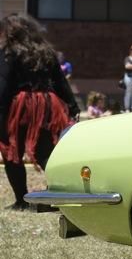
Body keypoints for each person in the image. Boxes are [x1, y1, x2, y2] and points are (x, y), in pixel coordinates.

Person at [0, 13, 79, 210]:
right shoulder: (45, 51)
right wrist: (73, 106)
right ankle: (64, 195)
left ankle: (21, 200)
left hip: (21, 105)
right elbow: (60, 81)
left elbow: (3, 84)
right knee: (45, 150)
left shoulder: (10, 52)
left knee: (12, 150)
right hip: (47, 104)